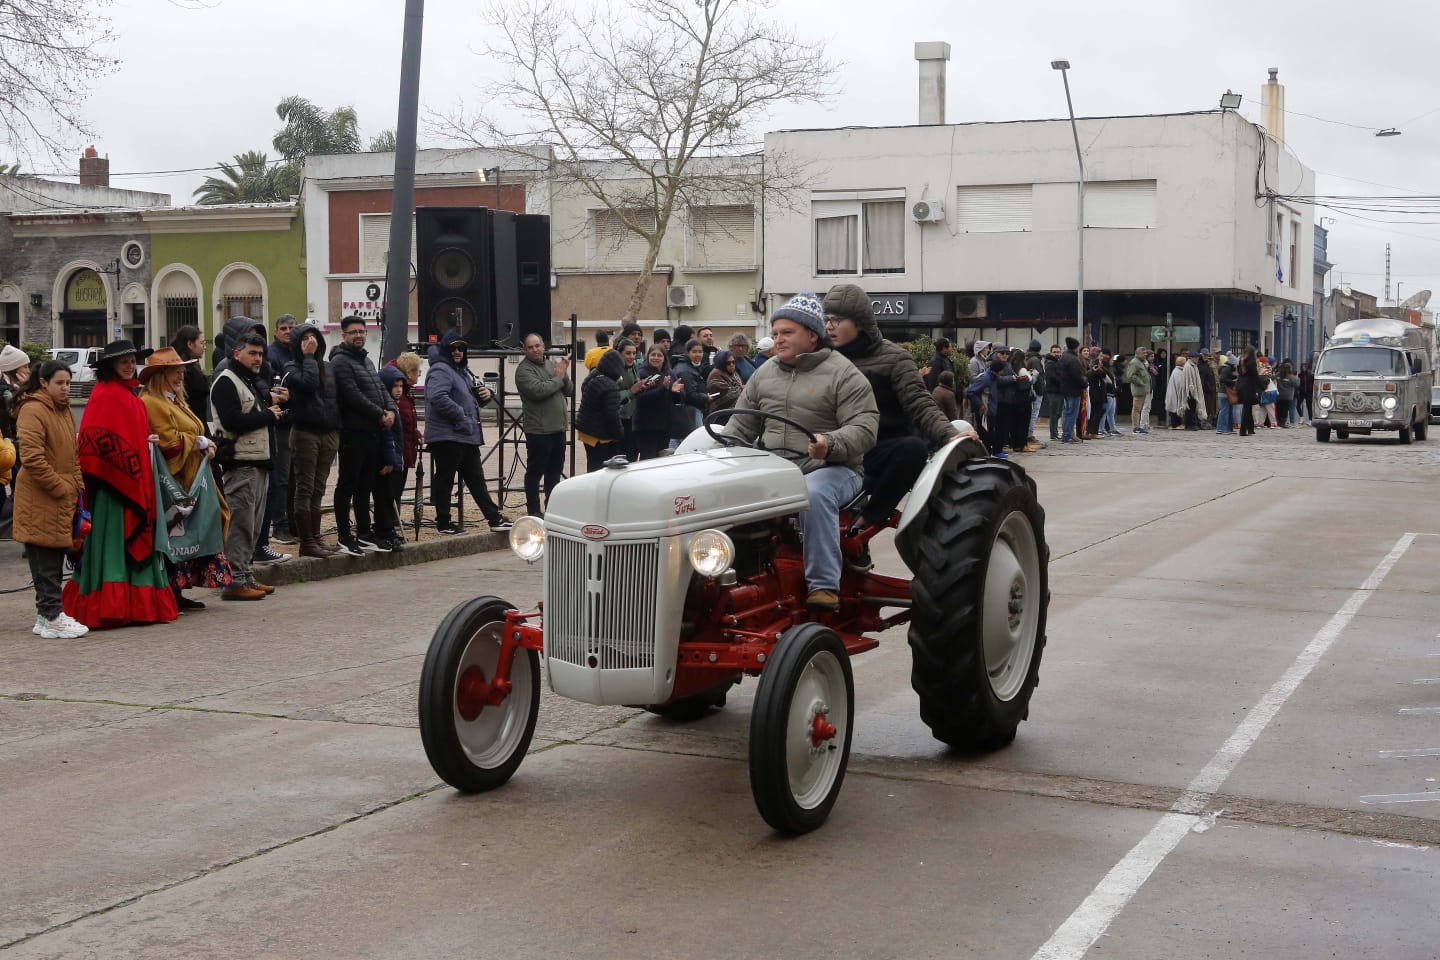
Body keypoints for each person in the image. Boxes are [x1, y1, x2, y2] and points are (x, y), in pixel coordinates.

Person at [723, 293, 878, 610]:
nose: (778, 340)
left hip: (833, 469)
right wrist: (723, 456)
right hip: (778, 470)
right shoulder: (764, 374)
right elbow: (740, 426)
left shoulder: (843, 374)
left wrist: (829, 444)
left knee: (813, 493)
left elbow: (865, 427)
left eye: (787, 332)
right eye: (776, 333)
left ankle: (823, 586)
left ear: (812, 335)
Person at [823, 284, 959, 537]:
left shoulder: (895, 358)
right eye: (827, 319)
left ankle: (867, 518)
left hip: (877, 448)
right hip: (831, 445)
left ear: (861, 322)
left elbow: (919, 401)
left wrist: (949, 434)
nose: (829, 326)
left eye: (838, 320)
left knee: (913, 449)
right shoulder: (821, 357)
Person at [64, 341, 179, 627]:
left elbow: (133, 434)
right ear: (110, 365)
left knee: (131, 538)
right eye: (123, 361)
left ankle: (136, 604)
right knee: (112, 541)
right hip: (110, 487)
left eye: (132, 360)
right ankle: (111, 604)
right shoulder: (104, 396)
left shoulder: (131, 396)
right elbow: (91, 445)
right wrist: (121, 461)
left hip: (134, 482)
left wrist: (145, 442)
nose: (129, 366)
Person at [140, 347, 233, 612]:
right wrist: (199, 442)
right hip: (174, 482)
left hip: (191, 478)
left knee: (188, 534)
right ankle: (170, 590)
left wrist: (204, 444)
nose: (181, 377)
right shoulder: (152, 402)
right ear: (160, 376)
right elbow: (168, 443)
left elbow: (191, 431)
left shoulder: (172, 400)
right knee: (176, 536)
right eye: (175, 372)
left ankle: (178, 591)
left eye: (181, 372)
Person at [14, 361, 89, 638]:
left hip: (62, 496)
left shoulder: (65, 410)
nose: (65, 388)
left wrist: (76, 487)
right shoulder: (32, 409)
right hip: (40, 497)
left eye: (68, 383)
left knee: (55, 556)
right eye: (60, 383)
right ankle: (50, 615)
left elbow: (73, 455)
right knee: (44, 557)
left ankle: (49, 615)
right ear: (44, 382)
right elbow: (32, 458)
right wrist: (60, 487)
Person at [211, 333, 283, 601]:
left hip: (257, 461)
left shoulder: (248, 380)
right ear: (236, 353)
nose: (258, 358)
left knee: (252, 524)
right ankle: (235, 580)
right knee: (241, 523)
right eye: (253, 353)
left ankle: (246, 575)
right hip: (241, 462)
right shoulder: (226, 381)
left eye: (261, 354)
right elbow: (231, 420)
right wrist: (268, 415)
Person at [423, 330, 513, 535]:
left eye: (461, 348)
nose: (457, 352)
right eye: (453, 348)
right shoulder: (441, 370)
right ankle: (444, 523)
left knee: (475, 479)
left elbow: (467, 399)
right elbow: (437, 397)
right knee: (446, 479)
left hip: (464, 434)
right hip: (448, 435)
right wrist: (461, 415)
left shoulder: (461, 372)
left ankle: (494, 518)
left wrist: (485, 396)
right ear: (445, 349)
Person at [330, 315, 397, 555]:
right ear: (344, 335)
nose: (358, 335)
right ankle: (344, 535)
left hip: (372, 433)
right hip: (353, 433)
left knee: (365, 486)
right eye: (353, 332)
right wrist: (380, 414)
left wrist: (390, 410)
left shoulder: (367, 361)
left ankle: (365, 533)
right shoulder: (340, 362)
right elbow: (352, 395)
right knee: (347, 485)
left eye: (361, 331)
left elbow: (381, 388)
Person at [282, 321, 342, 558]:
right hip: (305, 433)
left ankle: (316, 538)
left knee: (318, 487)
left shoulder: (328, 367)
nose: (311, 342)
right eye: (305, 338)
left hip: (328, 432)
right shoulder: (291, 367)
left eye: (314, 337)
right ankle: (306, 541)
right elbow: (308, 384)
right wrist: (308, 357)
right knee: (304, 487)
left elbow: (336, 397)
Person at [515, 333, 572, 516]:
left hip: (558, 429)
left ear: (543, 347)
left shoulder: (550, 364)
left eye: (538, 345)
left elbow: (569, 390)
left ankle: (552, 510)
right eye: (530, 347)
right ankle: (533, 511)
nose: (535, 350)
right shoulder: (523, 371)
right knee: (535, 473)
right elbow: (539, 391)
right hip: (539, 431)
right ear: (525, 350)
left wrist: (563, 373)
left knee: (554, 473)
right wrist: (558, 377)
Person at [260, 314, 297, 547]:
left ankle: (293, 523)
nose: (287, 332)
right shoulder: (271, 355)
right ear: (275, 332)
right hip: (280, 423)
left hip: (298, 422)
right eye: (283, 328)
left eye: (291, 328)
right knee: (282, 477)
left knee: (295, 476)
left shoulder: (298, 354)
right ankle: (280, 524)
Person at [576, 348, 626, 471]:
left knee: (592, 464)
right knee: (600, 468)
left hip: (586, 430)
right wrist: (619, 434)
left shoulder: (594, 375)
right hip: (599, 435)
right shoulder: (610, 386)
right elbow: (612, 415)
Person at [631, 345, 674, 461]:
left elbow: (677, 398)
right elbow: (641, 398)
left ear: (664, 358)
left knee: (662, 459)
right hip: (646, 426)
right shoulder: (642, 373)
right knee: (648, 460)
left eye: (659, 355)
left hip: (664, 425)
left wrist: (676, 391)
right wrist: (663, 388)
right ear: (648, 357)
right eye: (653, 355)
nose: (656, 358)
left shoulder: (669, 373)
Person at [667, 338, 709, 449]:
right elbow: (690, 395)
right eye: (694, 351)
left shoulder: (691, 367)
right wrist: (706, 398)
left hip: (689, 412)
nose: (698, 354)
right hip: (690, 412)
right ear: (687, 352)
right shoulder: (686, 370)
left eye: (700, 351)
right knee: (691, 445)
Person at [169, 325, 211, 426]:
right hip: (190, 426)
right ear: (190, 344)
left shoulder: (194, 365)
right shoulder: (183, 369)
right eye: (201, 343)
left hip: (198, 423)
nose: (204, 347)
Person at [1058, 337, 1086, 443]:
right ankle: (1067, 435)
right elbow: (1077, 376)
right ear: (1076, 347)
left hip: (1065, 389)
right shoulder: (1073, 359)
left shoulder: (1063, 357)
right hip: (1074, 390)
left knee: (1066, 412)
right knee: (1072, 414)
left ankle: (1066, 435)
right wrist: (1084, 383)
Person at [705, 348, 744, 415]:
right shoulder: (716, 375)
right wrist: (743, 389)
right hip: (720, 414)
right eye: (728, 363)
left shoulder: (734, 373)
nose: (731, 365)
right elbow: (729, 395)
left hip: (734, 412)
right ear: (721, 363)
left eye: (733, 362)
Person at [1125, 347, 1153, 434]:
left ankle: (1138, 427)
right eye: (1143, 353)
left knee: (1139, 408)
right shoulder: (1134, 362)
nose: (1145, 354)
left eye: (1145, 353)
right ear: (1138, 353)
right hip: (1139, 389)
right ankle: (1136, 427)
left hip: (1144, 389)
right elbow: (1130, 376)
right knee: (1136, 408)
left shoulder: (1141, 362)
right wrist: (1140, 383)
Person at [1236, 346, 1260, 436]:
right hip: (1249, 387)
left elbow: (1240, 373)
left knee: (1248, 408)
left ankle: (1250, 428)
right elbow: (1255, 375)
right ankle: (1243, 430)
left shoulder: (1241, 361)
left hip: (1241, 386)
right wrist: (1260, 387)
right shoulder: (1251, 362)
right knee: (1246, 409)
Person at [1043, 343, 1064, 440]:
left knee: (1058, 413)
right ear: (1051, 353)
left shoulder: (1058, 362)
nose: (1056, 354)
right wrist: (1063, 380)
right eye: (1054, 352)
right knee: (1054, 413)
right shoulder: (1050, 363)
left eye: (1058, 352)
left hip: (1059, 391)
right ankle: (1053, 434)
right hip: (1053, 391)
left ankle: (1055, 433)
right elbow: (1051, 377)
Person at [1181, 352, 1208, 429]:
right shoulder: (1188, 366)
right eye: (1196, 357)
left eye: (1198, 357)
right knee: (1190, 408)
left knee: (1194, 408)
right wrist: (1191, 390)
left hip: (1195, 390)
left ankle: (1194, 423)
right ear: (1191, 358)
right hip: (1189, 391)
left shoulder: (1194, 366)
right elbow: (1188, 380)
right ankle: (1190, 424)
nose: (1197, 359)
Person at [1215, 354, 1238, 435]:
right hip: (1225, 392)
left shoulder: (1225, 368)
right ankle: (1221, 428)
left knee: (1228, 410)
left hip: (1225, 392)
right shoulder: (1227, 368)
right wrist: (1233, 381)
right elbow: (1223, 379)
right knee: (1225, 410)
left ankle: (1228, 428)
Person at [1165, 355, 1188, 429]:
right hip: (1176, 393)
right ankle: (1175, 424)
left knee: (1175, 408)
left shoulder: (1177, 370)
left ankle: (1175, 424)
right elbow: (1179, 385)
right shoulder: (1178, 372)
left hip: (1174, 393)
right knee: (1175, 409)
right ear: (1182, 363)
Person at [1275, 360, 1298, 428]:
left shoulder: (1278, 375)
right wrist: (1297, 378)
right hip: (1287, 396)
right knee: (1285, 409)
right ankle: (1283, 422)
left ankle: (1279, 421)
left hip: (1279, 395)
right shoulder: (1291, 376)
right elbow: (1296, 384)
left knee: (1279, 408)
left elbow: (1273, 379)